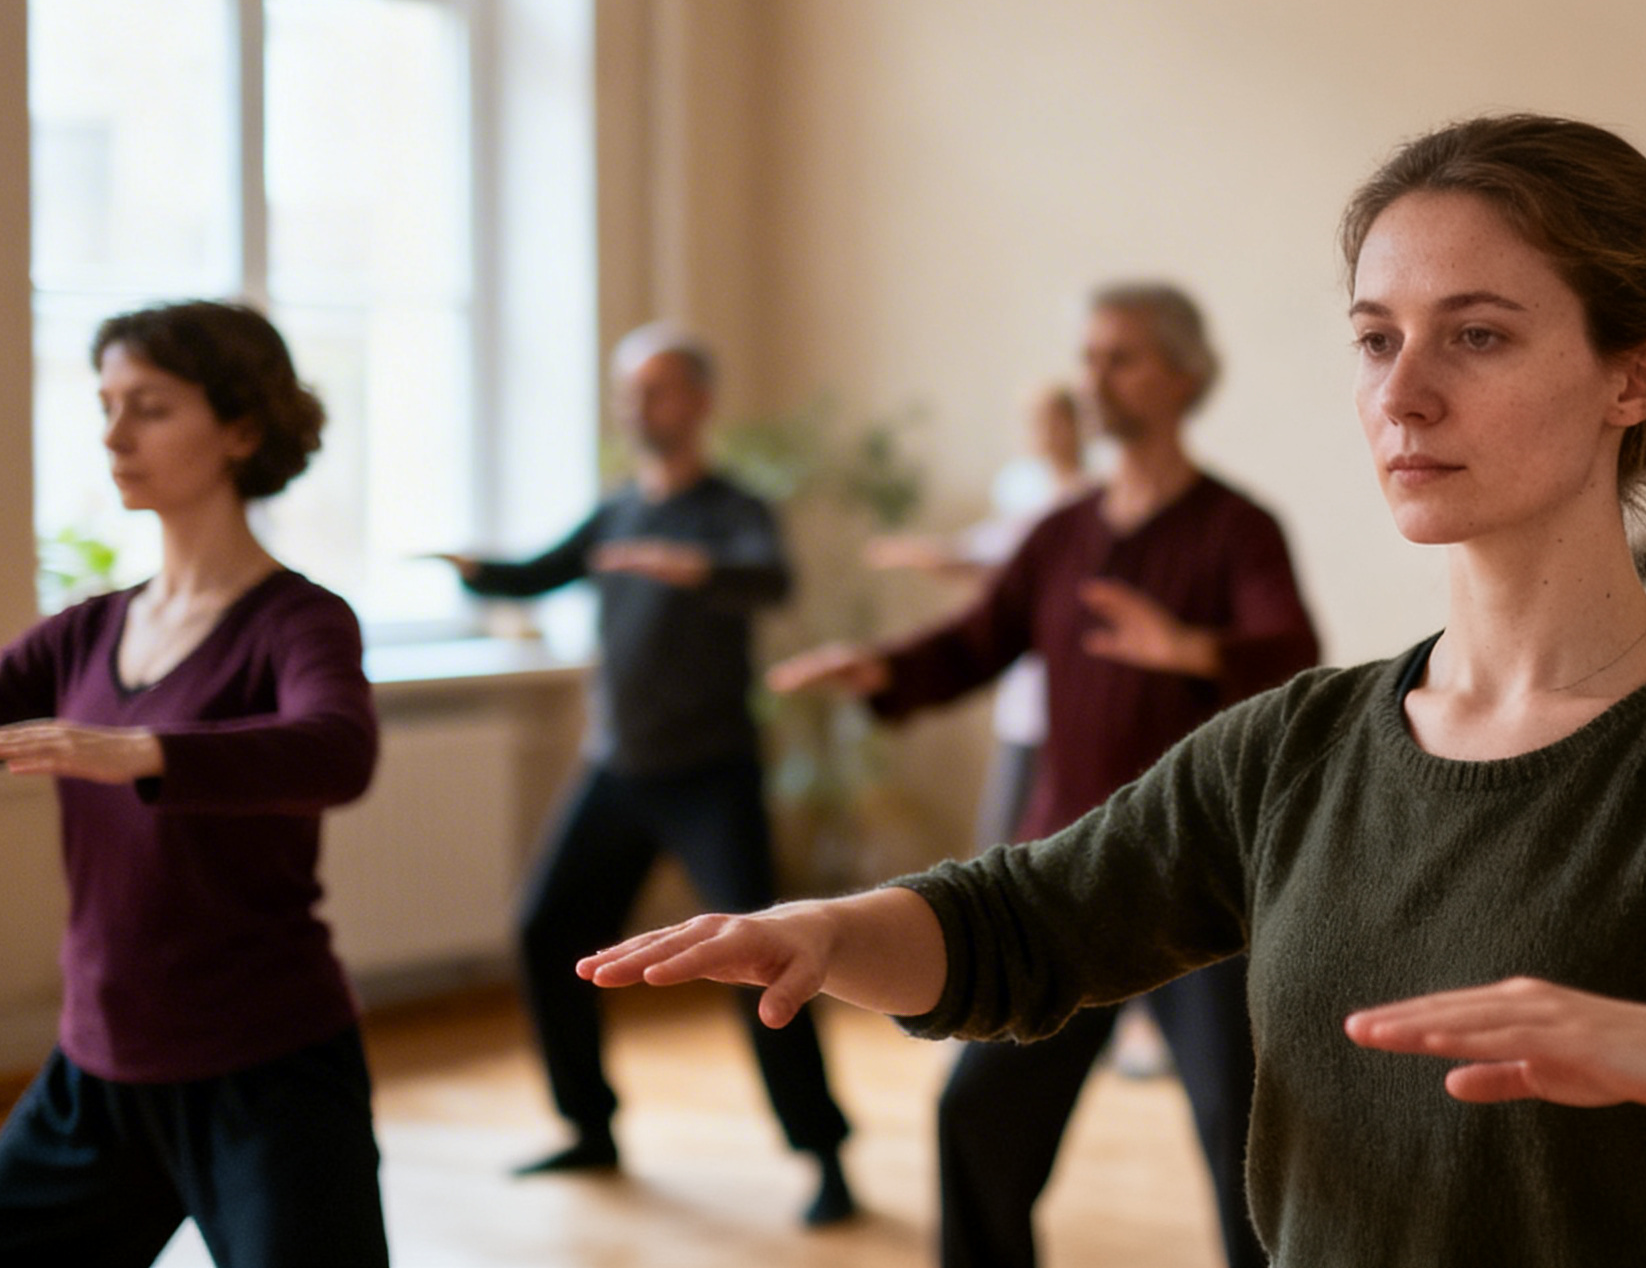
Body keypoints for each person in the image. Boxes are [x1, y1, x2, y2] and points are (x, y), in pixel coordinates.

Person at [588, 115, 1646, 1265]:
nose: (1402, 392)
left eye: (1478, 336)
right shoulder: (1300, 746)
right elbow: (1023, 927)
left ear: (1634, 378)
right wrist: (827, 932)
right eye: (1378, 339)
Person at [0, 300, 386, 1266]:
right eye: (106, 403)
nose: (113, 435)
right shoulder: (89, 631)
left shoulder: (299, 622)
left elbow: (336, 751)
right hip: (99, 1071)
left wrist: (148, 752)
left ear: (242, 426)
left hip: (267, 1074)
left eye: (149, 406)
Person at [768, 282, 1315, 1268]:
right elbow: (978, 637)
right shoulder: (1061, 531)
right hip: (1065, 871)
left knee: (1245, 1139)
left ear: (1184, 377)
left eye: (1121, 357)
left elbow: (1290, 653)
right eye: (1089, 356)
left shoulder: (1237, 528)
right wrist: (883, 668)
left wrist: (1187, 647)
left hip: (1211, 885)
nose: (1094, 378)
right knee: (977, 1116)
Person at [437, 325, 854, 1225]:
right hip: (617, 772)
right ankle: (589, 1125)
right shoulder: (618, 509)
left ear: (699, 402)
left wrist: (695, 567)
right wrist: (469, 567)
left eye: (657, 388)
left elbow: (770, 577)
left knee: (763, 959)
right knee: (550, 932)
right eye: (629, 389)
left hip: (711, 775)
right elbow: (538, 572)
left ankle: (824, 1154)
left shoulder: (731, 507)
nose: (637, 405)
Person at [863, 382, 1092, 851]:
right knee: (1003, 839)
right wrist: (928, 555)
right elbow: (987, 558)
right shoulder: (1024, 497)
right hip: (1026, 701)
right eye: (1033, 421)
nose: (1043, 432)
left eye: (1053, 419)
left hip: (1078, 695)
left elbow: (1010, 571)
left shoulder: (1095, 503)